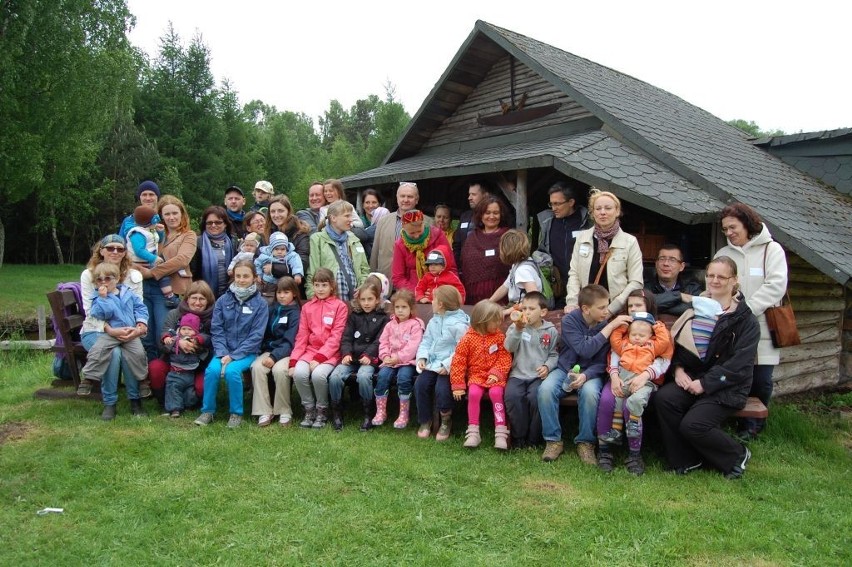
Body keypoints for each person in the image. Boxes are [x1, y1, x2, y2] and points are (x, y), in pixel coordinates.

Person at [655, 256, 759, 479]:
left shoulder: (744, 319)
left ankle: (737, 455)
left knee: (693, 425)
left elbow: (739, 364)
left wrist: (705, 383)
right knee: (665, 399)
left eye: (721, 276)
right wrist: (678, 370)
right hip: (693, 378)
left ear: (734, 281)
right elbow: (679, 346)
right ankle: (686, 459)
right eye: (711, 275)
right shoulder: (696, 307)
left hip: (727, 386)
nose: (714, 280)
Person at [715, 202, 788, 440]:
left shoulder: (771, 250)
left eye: (732, 227)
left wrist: (746, 310)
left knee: (762, 378)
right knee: (733, 374)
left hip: (762, 325)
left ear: (747, 224)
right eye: (725, 229)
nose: (729, 233)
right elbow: (715, 284)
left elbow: (776, 286)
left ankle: (753, 426)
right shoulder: (723, 254)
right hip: (731, 327)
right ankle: (730, 418)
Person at [538, 285, 633, 465]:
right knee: (545, 389)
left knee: (590, 394)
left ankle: (586, 443)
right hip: (565, 368)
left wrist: (586, 376)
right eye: (602, 307)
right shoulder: (570, 321)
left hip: (591, 372)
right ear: (586, 309)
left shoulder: (605, 325)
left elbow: (600, 362)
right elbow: (585, 349)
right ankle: (553, 440)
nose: (607, 311)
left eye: (607, 306)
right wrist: (611, 326)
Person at [596, 289, 670, 475]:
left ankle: (634, 454)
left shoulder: (657, 335)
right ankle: (605, 450)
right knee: (607, 399)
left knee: (631, 405)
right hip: (620, 377)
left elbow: (664, 360)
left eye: (638, 305)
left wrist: (645, 375)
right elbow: (615, 353)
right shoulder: (627, 332)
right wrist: (614, 377)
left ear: (649, 307)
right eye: (630, 306)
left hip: (645, 380)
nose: (633, 309)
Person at [194, 259, 267, 428]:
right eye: (238, 276)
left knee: (232, 372)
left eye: (246, 276)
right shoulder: (222, 301)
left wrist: (234, 356)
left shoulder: (260, 304)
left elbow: (256, 335)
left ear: (254, 278)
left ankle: (236, 413)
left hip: (247, 352)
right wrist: (222, 352)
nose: (241, 280)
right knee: (212, 370)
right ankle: (208, 411)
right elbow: (216, 329)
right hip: (223, 351)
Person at [77, 235, 146, 405]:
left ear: (125, 253)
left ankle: (136, 396)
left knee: (133, 353)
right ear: (101, 251)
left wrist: (140, 327)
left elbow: (139, 306)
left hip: (127, 329)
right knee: (113, 353)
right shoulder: (90, 275)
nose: (115, 252)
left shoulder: (134, 275)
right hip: (98, 329)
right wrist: (110, 329)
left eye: (120, 249)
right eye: (110, 248)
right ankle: (108, 401)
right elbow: (90, 311)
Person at [565, 189, 643, 316]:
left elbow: (636, 281)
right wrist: (572, 302)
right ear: (592, 213)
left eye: (608, 208)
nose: (602, 212)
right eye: (598, 208)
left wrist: (612, 308)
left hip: (616, 311)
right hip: (587, 310)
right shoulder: (582, 238)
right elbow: (574, 274)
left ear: (617, 211)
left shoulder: (630, 241)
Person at [139, 195, 197, 362]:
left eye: (175, 213)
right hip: (145, 288)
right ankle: (149, 373)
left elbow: (182, 260)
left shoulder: (188, 235)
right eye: (167, 214)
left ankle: (165, 373)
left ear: (182, 214)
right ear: (161, 216)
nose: (171, 217)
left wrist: (152, 272)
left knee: (163, 334)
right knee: (146, 334)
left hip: (169, 291)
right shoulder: (153, 234)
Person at [289, 268, 349, 429]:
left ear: (332, 286)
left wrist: (320, 358)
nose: (320, 289)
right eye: (317, 285)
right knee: (299, 373)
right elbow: (301, 336)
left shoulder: (339, 306)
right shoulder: (308, 307)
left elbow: (336, 337)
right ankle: (309, 409)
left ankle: (322, 409)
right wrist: (294, 361)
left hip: (330, 354)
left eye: (324, 285)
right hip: (310, 351)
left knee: (318, 375)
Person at [450, 300, 513, 450]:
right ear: (483, 321)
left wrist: (496, 373)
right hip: (476, 376)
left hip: (495, 377)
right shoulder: (468, 339)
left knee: (496, 393)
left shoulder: (499, 337)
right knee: (473, 394)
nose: (499, 324)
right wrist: (458, 384)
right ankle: (473, 432)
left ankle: (500, 433)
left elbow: (505, 357)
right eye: (495, 321)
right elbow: (458, 361)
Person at [328, 280, 389, 431]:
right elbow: (346, 337)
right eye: (363, 299)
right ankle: (337, 412)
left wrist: (369, 355)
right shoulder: (354, 316)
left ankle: (368, 413)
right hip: (352, 357)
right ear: (358, 300)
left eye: (370, 299)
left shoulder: (383, 318)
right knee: (335, 377)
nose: (366, 303)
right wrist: (346, 353)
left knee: (363, 377)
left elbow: (379, 340)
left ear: (377, 300)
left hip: (370, 360)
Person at [414, 285, 470, 440]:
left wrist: (448, 365)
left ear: (441, 304)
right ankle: (425, 420)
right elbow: (426, 341)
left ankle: (445, 420)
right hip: (432, 364)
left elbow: (462, 348)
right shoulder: (434, 321)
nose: (431, 302)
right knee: (421, 384)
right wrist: (422, 358)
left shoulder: (460, 324)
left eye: (434, 299)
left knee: (442, 388)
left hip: (451, 367)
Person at [504, 291, 559, 449]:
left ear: (543, 312)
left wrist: (547, 366)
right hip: (518, 374)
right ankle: (519, 437)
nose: (526, 312)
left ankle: (534, 439)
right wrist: (518, 329)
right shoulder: (516, 327)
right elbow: (509, 347)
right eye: (524, 308)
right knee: (512, 396)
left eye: (531, 309)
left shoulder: (550, 331)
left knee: (537, 398)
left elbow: (554, 354)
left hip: (538, 376)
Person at [148, 281, 216, 408]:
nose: (197, 302)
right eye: (194, 298)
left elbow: (213, 342)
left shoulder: (214, 317)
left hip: (199, 365)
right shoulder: (174, 314)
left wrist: (196, 344)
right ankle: (163, 400)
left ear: (208, 301)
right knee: (155, 368)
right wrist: (178, 343)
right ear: (187, 298)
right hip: (174, 363)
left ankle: (191, 401)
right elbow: (162, 341)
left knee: (201, 388)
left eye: (202, 299)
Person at [250, 277, 301, 427]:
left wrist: (274, 357)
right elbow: (263, 333)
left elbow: (290, 341)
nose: (282, 296)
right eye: (279, 292)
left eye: (286, 292)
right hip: (269, 349)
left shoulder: (295, 314)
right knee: (257, 367)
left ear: (294, 294)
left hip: (287, 352)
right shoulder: (271, 309)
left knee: (280, 370)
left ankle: (284, 410)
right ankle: (264, 410)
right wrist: (266, 350)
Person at [373, 289, 423, 430]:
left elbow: (413, 346)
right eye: (397, 307)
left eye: (404, 307)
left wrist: (398, 358)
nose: (400, 310)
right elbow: (383, 342)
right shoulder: (390, 325)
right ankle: (381, 411)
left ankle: (403, 413)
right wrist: (385, 356)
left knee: (404, 378)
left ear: (411, 308)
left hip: (407, 361)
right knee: (382, 377)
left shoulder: (416, 325)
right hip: (389, 360)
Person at [537, 181, 591, 303]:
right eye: (551, 204)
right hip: (557, 288)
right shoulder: (547, 223)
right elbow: (542, 250)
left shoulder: (587, 222)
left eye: (557, 204)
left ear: (571, 202)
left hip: (583, 287)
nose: (553, 208)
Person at [307, 200, 370, 301]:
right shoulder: (317, 239)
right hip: (328, 301)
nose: (351, 220)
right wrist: (313, 299)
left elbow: (364, 269)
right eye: (347, 216)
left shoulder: (354, 239)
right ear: (333, 218)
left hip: (354, 301)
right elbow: (313, 272)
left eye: (351, 216)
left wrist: (363, 287)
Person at [370, 181, 428, 278]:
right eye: (402, 196)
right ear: (397, 198)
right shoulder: (383, 222)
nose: (405, 200)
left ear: (417, 200)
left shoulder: (427, 222)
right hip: (387, 279)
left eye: (410, 197)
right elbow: (375, 252)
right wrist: (372, 277)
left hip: (414, 281)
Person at [459, 196, 511, 303]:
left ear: (501, 215)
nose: (491, 216)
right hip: (474, 298)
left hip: (501, 297)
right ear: (481, 215)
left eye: (496, 213)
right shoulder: (472, 238)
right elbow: (465, 265)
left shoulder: (508, 236)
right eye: (487, 212)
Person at [392, 209, 456, 293]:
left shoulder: (438, 235)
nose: (416, 236)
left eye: (419, 231)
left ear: (423, 224)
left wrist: (441, 291)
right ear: (403, 229)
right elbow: (398, 277)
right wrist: (418, 292)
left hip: (439, 291)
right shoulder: (400, 245)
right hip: (412, 293)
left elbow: (451, 267)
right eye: (411, 233)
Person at [126, 205, 175, 308]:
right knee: (161, 274)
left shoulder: (150, 230)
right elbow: (139, 251)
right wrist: (154, 258)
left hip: (148, 262)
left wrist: (161, 233)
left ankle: (169, 296)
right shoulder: (137, 233)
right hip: (138, 264)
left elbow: (157, 240)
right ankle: (169, 296)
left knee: (163, 274)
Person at [163, 313, 209, 418]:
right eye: (183, 328)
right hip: (175, 372)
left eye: (190, 329)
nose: (186, 331)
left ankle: (188, 406)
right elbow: (166, 347)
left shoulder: (197, 342)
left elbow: (204, 350)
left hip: (191, 374)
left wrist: (198, 347)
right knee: (173, 390)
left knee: (190, 393)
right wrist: (169, 340)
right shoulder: (175, 339)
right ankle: (175, 409)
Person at [190, 206, 238, 298]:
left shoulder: (234, 242)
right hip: (203, 295)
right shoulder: (197, 242)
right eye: (209, 223)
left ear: (225, 224)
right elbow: (193, 271)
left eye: (218, 222)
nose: (213, 225)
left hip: (230, 294)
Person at [488, 229, 543, 311]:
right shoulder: (518, 265)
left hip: (523, 310)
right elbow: (505, 286)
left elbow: (534, 298)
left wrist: (508, 311)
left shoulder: (523, 270)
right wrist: (488, 302)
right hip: (516, 306)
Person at [645, 244, 703, 316]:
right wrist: (679, 296)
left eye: (672, 260)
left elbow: (700, 307)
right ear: (656, 264)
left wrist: (658, 306)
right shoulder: (645, 286)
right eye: (662, 259)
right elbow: (643, 303)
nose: (666, 264)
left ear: (681, 266)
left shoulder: (692, 288)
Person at [265, 195, 311, 284]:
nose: (276, 215)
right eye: (273, 211)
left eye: (280, 211)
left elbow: (303, 263)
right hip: (270, 287)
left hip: (292, 287)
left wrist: (274, 268)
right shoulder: (267, 233)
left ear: (288, 212)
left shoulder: (300, 234)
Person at [255, 231, 305, 302]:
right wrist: (258, 274)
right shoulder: (265, 255)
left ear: (286, 249)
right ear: (271, 248)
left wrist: (297, 274)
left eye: (282, 249)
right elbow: (257, 263)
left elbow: (297, 263)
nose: (279, 252)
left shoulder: (291, 255)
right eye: (276, 249)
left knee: (283, 298)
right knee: (267, 297)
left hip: (284, 281)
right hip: (268, 282)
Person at [453, 181, 490, 266]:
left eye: (473, 194)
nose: (469, 198)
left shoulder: (492, 217)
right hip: (464, 268)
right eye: (469, 194)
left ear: (485, 196)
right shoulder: (465, 216)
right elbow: (457, 245)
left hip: (484, 266)